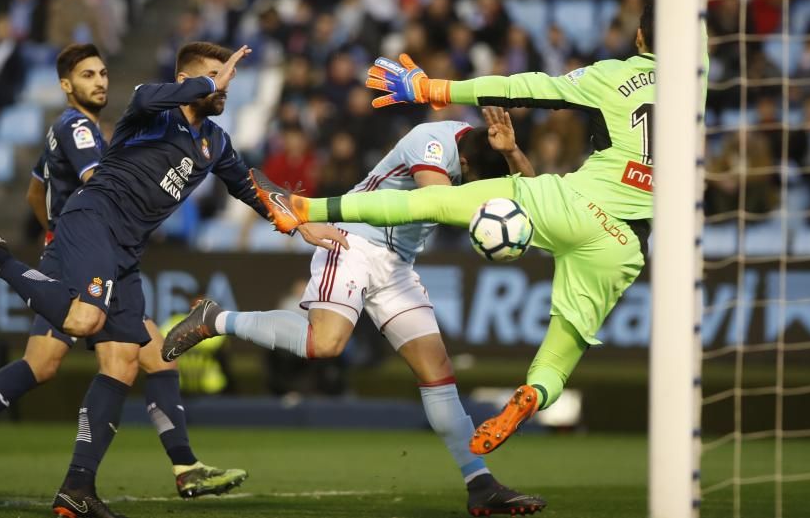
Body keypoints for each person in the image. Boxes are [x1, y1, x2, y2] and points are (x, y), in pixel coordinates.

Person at [240, 0, 699, 460]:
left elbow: (523, 84)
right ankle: (532, 396)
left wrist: (433, 88)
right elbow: (697, 28)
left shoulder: (609, 77)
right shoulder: (696, 80)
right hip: (626, 242)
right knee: (564, 345)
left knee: (434, 203)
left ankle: (307, 208)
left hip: (573, 200)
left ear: (639, 36)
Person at [0, 41, 346, 518]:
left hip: (126, 249)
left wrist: (301, 223)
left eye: (223, 76)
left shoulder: (215, 142)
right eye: (210, 76)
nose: (222, 85)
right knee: (83, 322)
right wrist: (212, 80)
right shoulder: (151, 108)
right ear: (188, 80)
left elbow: (251, 188)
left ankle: (77, 489)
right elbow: (150, 98)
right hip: (94, 220)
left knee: (129, 361)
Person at [162, 111, 546, 516]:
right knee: (325, 343)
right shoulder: (431, 141)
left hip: (398, 264)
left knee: (437, 370)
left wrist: (515, 154)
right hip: (353, 241)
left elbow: (535, 196)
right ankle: (215, 319)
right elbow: (438, 201)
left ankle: (480, 483)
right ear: (464, 164)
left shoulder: (481, 152)